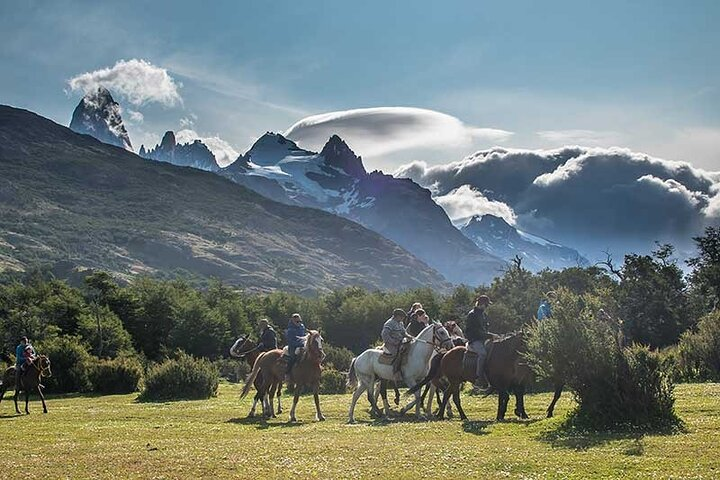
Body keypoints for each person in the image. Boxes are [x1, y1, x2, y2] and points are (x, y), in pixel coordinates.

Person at [465, 295, 493, 389]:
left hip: (483, 339)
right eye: (486, 305)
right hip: (475, 340)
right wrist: (490, 335)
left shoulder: (483, 315)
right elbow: (477, 332)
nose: (487, 307)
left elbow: (485, 330)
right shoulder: (472, 315)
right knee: (483, 354)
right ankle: (478, 378)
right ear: (481, 304)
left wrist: (492, 336)